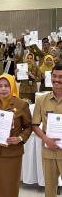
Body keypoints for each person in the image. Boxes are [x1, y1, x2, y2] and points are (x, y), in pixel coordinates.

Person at [0, 74, 32, 197]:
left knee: (10, 185)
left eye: (6, 86)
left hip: (12, 153)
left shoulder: (22, 105)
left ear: (12, 87)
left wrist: (20, 138)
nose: (3, 89)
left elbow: (29, 127)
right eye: (0, 86)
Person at [32, 64, 62, 197]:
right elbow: (34, 125)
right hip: (48, 152)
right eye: (54, 76)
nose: (57, 80)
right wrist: (46, 140)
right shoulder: (41, 100)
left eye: (61, 77)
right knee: (50, 191)